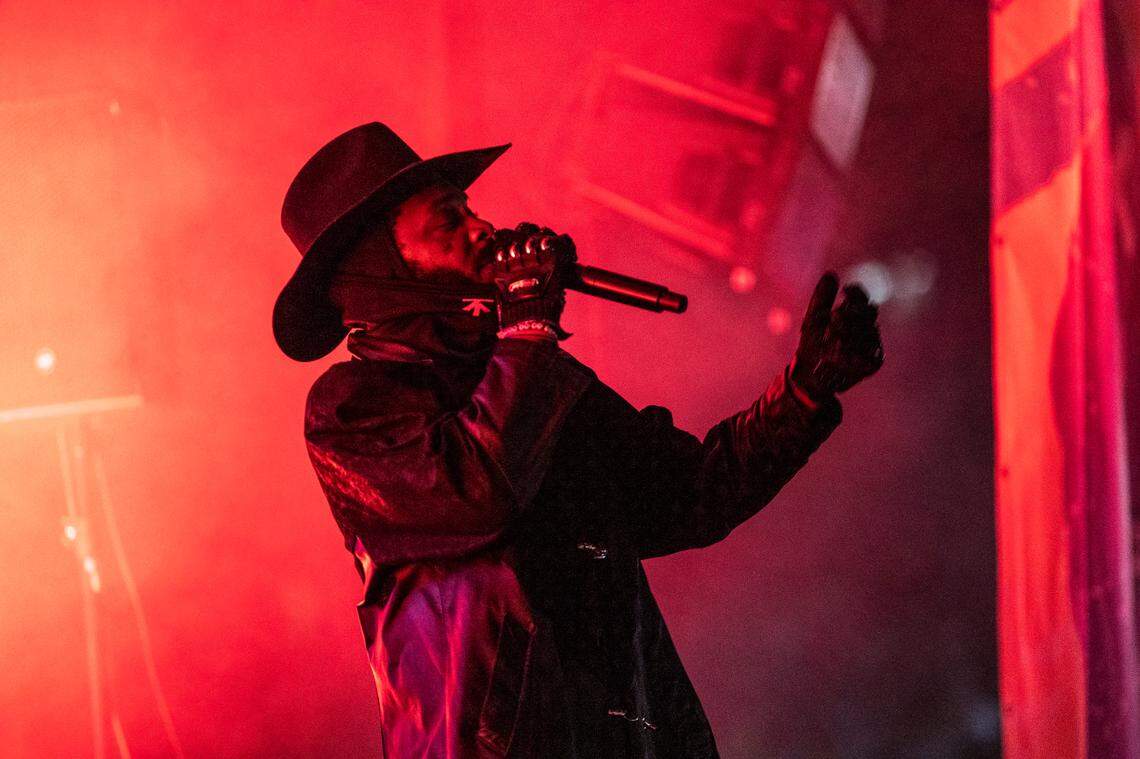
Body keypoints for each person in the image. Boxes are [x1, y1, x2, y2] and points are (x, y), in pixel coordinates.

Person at [273, 122, 883, 758]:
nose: (483, 230)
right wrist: (528, 331)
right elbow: (478, 491)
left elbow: (691, 494)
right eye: (449, 220)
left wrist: (804, 396)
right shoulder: (352, 405)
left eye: (473, 211)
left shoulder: (526, 372)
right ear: (378, 262)